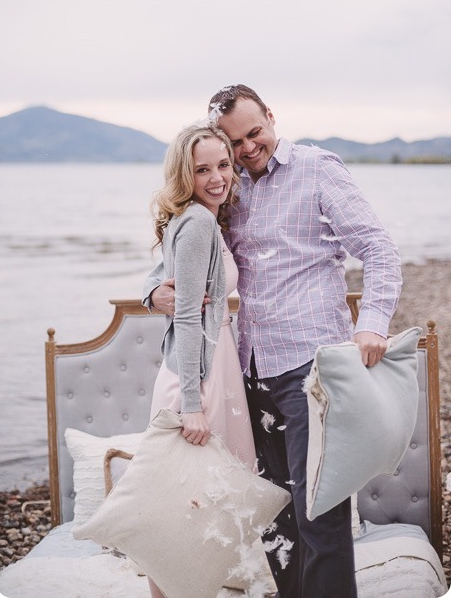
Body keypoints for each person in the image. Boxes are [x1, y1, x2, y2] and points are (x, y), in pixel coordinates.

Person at [145, 86, 403, 598]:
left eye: (254, 132)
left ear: (270, 117)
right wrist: (155, 291)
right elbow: (178, 248)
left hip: (313, 372)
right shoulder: (224, 185)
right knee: (276, 519)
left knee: (319, 515)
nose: (246, 149)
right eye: (234, 142)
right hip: (250, 373)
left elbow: (378, 248)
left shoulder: (316, 169)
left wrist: (372, 321)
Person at [143, 122, 257, 598]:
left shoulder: (201, 217)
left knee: (197, 503)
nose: (217, 178)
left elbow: (166, 279)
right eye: (202, 169)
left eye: (224, 166)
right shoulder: (199, 223)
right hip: (199, 377)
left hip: (213, 366)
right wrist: (192, 403)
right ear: (183, 174)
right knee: (182, 509)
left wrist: (151, 291)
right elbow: (188, 318)